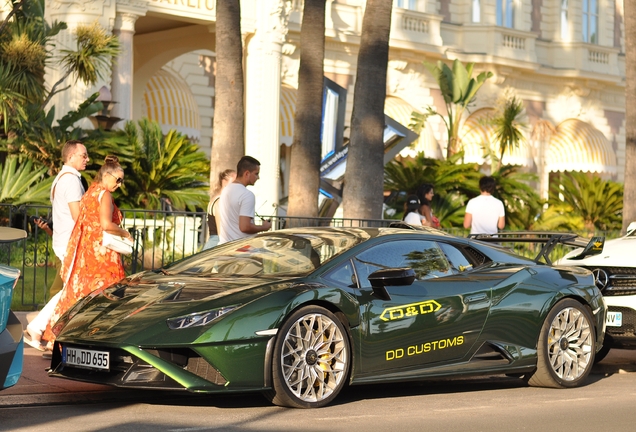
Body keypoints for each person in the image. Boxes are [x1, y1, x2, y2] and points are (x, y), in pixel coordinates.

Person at [40, 156, 131, 350]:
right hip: (102, 256)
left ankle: (57, 339)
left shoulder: (90, 193)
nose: (120, 185)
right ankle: (99, 341)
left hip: (86, 253)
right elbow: (106, 225)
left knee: (78, 296)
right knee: (106, 298)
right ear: (107, 176)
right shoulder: (104, 194)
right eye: (118, 179)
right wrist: (125, 233)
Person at [24, 140, 89, 351]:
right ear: (71, 156)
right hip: (70, 243)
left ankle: (46, 332)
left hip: (63, 242)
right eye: (83, 155)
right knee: (68, 290)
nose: (87, 159)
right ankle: (36, 328)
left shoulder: (61, 179)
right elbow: (77, 217)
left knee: (67, 290)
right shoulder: (71, 181)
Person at [218, 156, 272, 244]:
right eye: (256, 173)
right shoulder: (247, 195)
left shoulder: (226, 190)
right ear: (247, 173)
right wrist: (264, 227)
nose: (258, 177)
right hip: (242, 250)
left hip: (225, 248)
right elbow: (245, 227)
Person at [202, 169, 236, 250]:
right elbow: (221, 231)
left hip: (215, 243)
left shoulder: (217, 199)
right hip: (217, 244)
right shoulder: (220, 201)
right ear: (224, 182)